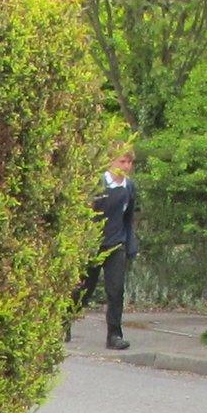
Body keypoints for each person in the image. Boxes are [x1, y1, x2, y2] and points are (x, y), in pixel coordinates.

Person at [78, 148, 138, 350]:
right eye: (122, 162)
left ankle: (114, 335)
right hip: (94, 244)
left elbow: (128, 218)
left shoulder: (129, 187)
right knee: (85, 289)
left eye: (129, 163)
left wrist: (130, 244)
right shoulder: (98, 184)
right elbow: (85, 215)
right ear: (111, 161)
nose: (126, 167)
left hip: (116, 244)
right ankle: (63, 323)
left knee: (116, 290)